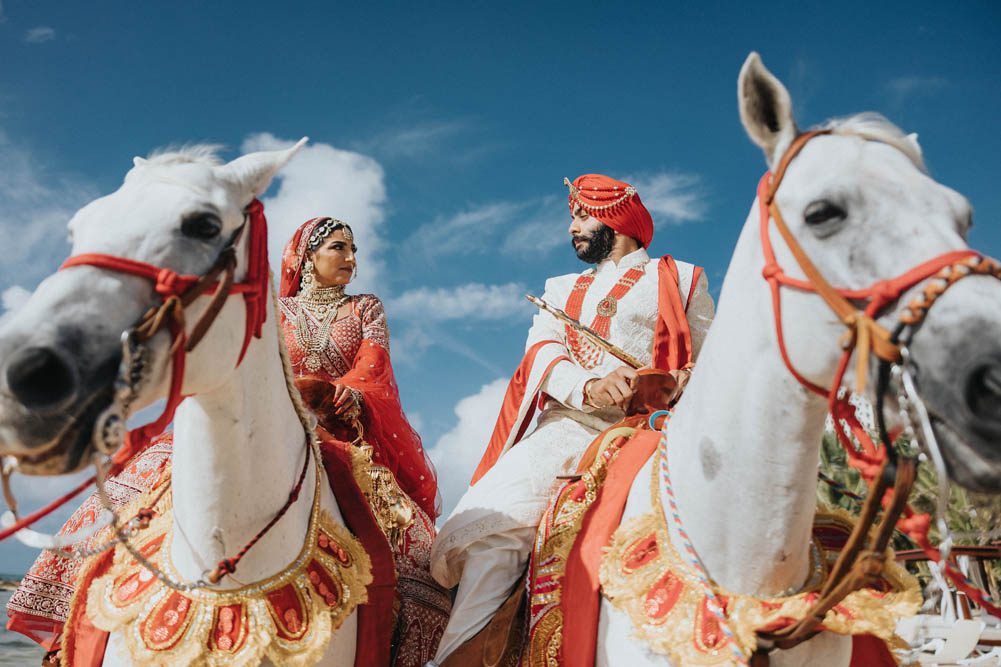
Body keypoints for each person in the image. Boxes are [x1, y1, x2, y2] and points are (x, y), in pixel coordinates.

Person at [8, 216, 449, 667]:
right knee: (132, 488)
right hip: (268, 419)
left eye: (354, 251)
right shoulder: (276, 310)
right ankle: (75, 619)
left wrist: (343, 393)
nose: (351, 260)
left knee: (409, 544)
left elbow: (375, 367)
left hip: (334, 427)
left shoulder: (364, 308)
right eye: (339, 248)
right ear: (306, 257)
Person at [427, 174, 715, 664]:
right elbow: (542, 351)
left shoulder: (683, 278)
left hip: (655, 429)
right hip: (569, 426)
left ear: (614, 218)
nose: (572, 228)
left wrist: (674, 382)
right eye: (572, 218)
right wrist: (590, 386)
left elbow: (711, 360)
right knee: (498, 520)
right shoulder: (559, 289)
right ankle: (463, 656)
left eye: (581, 215)